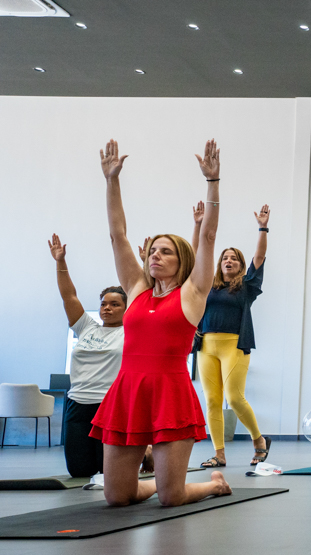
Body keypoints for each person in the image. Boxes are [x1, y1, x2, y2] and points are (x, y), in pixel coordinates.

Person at [90, 138, 231, 506]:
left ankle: (214, 485)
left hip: (171, 392)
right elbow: (117, 234)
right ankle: (159, 484)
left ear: (180, 258)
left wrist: (212, 183)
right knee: (117, 497)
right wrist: (112, 180)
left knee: (172, 497)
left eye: (165, 251)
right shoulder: (136, 290)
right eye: (153, 250)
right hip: (128, 391)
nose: (155, 256)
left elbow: (210, 237)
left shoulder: (192, 293)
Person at [191, 202, 271, 468]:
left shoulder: (246, 287)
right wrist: (199, 226)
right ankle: (219, 453)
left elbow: (258, 260)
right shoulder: (207, 287)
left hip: (234, 345)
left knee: (234, 398)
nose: (228, 261)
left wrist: (263, 228)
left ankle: (258, 440)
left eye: (234, 258)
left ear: (239, 266)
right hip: (206, 347)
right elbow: (194, 261)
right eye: (225, 258)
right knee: (212, 400)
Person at [48, 234, 128, 477]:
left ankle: (142, 453)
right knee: (79, 471)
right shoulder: (86, 327)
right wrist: (60, 262)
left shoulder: (131, 332)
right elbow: (68, 296)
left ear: (127, 307)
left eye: (115, 304)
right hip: (78, 403)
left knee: (108, 471)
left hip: (111, 404)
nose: (107, 308)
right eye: (104, 303)